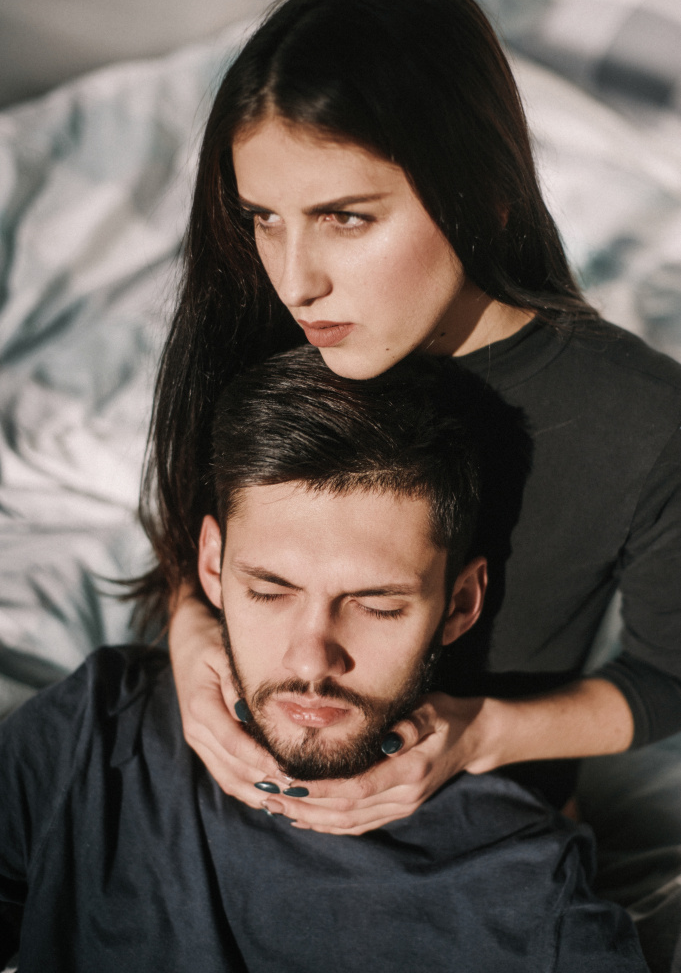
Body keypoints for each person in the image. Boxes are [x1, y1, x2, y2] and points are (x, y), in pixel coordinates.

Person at [136, 0, 681, 836]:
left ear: (484, 196)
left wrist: (478, 735)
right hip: (223, 793)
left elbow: (668, 680)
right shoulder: (259, 337)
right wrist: (192, 639)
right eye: (263, 218)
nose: (294, 280)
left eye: (345, 217)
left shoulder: (641, 421)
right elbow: (190, 545)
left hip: (475, 832)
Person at [0, 349, 648, 971]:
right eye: (269, 591)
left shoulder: (527, 891)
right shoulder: (92, 731)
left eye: (376, 605)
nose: (311, 659)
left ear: (458, 604)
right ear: (211, 566)